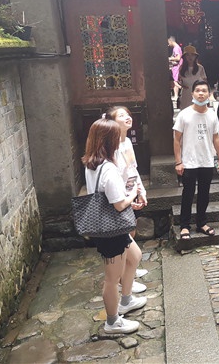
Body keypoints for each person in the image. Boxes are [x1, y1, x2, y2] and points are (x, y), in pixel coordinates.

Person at [81, 119, 147, 334]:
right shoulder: (108, 168)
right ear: (109, 141)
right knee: (111, 279)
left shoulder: (92, 164)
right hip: (112, 230)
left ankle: (126, 300)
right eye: (116, 137)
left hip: (111, 226)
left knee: (134, 256)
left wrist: (126, 200)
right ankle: (112, 322)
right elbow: (119, 204)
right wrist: (133, 194)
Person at [173, 79, 219, 240]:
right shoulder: (184, 114)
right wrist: (178, 161)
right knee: (188, 194)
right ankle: (184, 226)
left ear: (209, 94)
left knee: (204, 194)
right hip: (189, 161)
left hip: (206, 160)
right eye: (198, 91)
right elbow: (176, 140)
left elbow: (216, 137)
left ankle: (202, 222)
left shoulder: (212, 114)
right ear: (192, 93)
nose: (201, 93)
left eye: (204, 91)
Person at [104, 106, 150, 285]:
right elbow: (115, 178)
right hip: (120, 197)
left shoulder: (128, 142)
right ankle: (124, 277)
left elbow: (132, 169)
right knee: (124, 238)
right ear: (112, 122)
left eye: (128, 114)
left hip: (131, 192)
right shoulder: (111, 148)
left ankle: (130, 268)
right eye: (121, 115)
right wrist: (128, 199)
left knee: (131, 231)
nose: (127, 117)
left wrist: (140, 191)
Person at [178, 45, 208, 110]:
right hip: (186, 95)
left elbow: (205, 82)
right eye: (187, 55)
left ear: (195, 56)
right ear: (184, 57)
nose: (190, 57)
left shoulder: (200, 68)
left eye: (192, 55)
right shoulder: (181, 68)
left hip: (198, 95)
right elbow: (179, 81)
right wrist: (181, 85)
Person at [168, 36, 182, 103]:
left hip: (176, 66)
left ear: (171, 41)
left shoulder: (176, 48)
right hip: (176, 66)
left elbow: (178, 58)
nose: (168, 44)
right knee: (175, 81)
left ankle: (176, 95)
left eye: (168, 42)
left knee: (175, 81)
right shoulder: (177, 47)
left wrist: (170, 58)